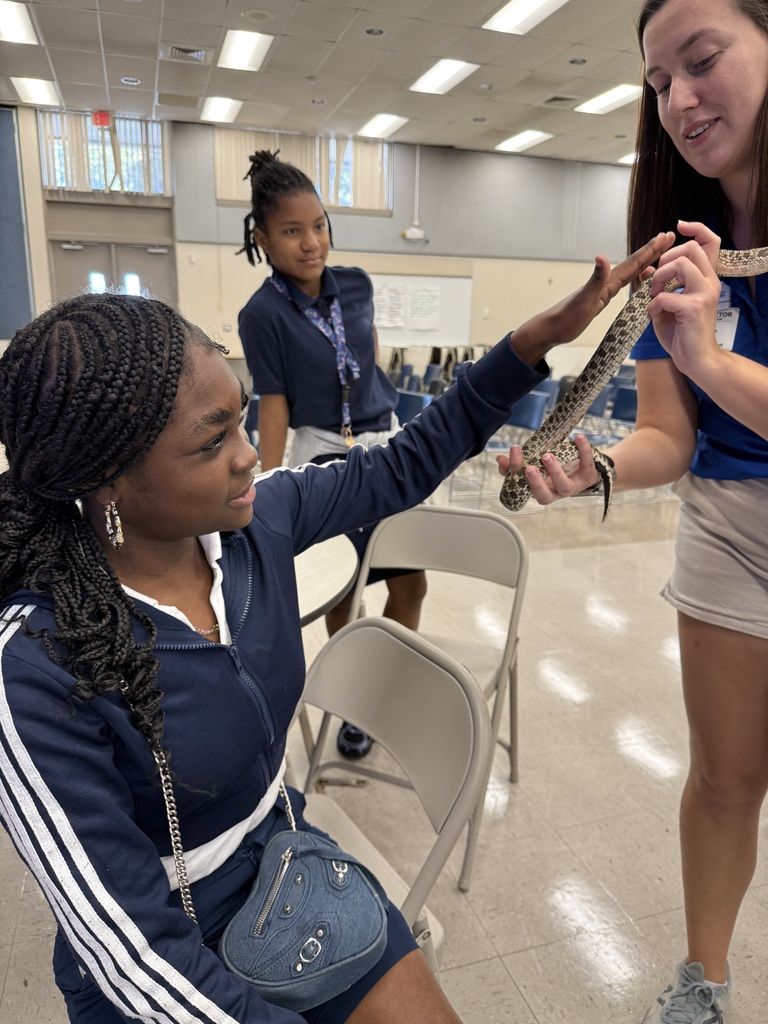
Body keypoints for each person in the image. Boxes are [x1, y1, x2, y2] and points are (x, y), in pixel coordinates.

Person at [0, 230, 669, 1024]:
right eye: (212, 442)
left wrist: (537, 341)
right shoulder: (36, 668)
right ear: (102, 479)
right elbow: (130, 951)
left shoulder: (255, 526)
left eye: (240, 422)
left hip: (283, 862)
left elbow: (399, 467)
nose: (251, 457)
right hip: (161, 959)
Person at [505, 1, 768, 1021]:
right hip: (726, 522)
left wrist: (708, 353)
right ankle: (703, 982)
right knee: (723, 774)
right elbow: (671, 431)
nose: (681, 101)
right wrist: (598, 465)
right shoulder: (680, 245)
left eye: (703, 61)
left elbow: (700, 370)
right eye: (659, 84)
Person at [237, 150, 426, 759]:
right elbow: (274, 404)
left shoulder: (358, 285)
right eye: (292, 231)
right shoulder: (261, 314)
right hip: (323, 454)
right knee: (345, 590)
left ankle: (389, 684)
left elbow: (366, 358)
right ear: (262, 238)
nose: (311, 242)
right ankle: (356, 701)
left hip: (383, 441)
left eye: (317, 224)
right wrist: (263, 488)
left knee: (411, 582)